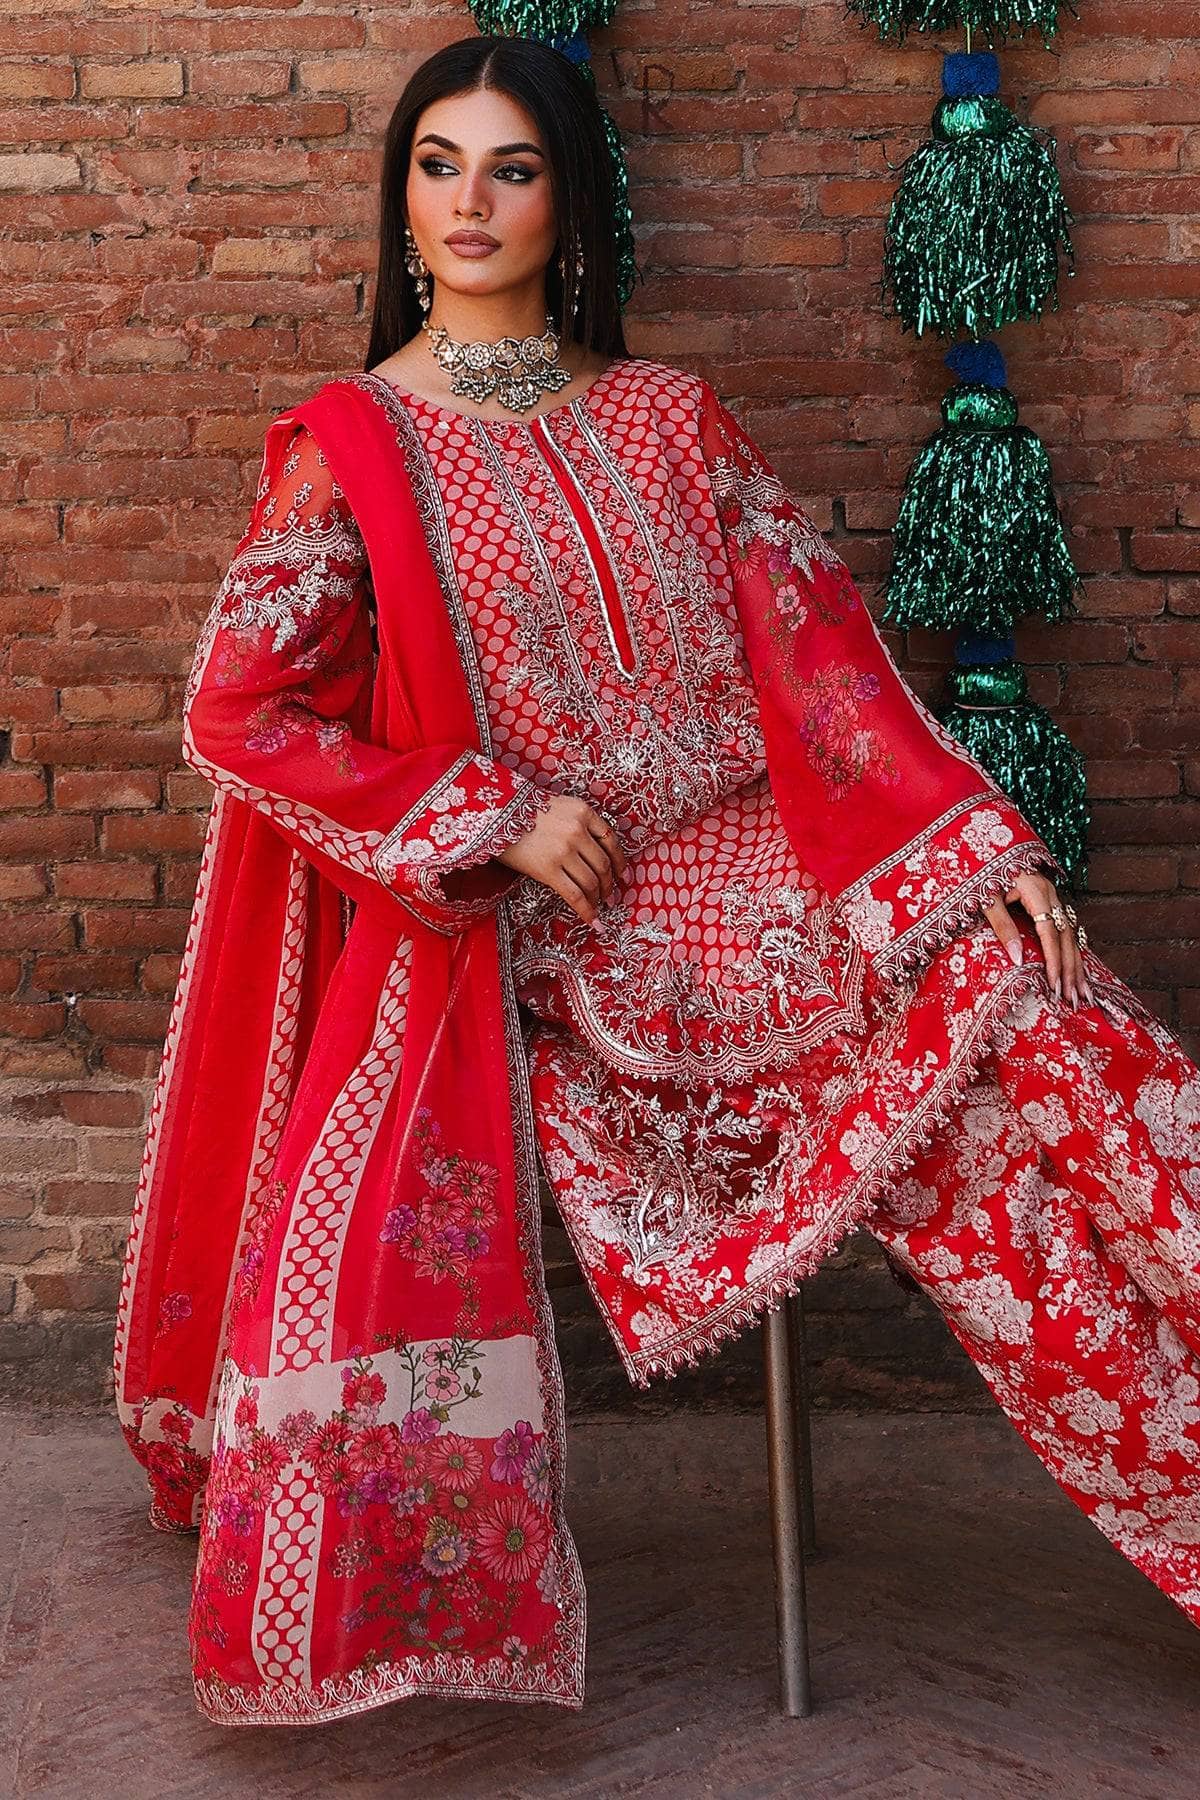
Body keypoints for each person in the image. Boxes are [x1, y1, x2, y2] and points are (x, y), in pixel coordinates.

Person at [112, 35, 1200, 1730]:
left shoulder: (666, 414)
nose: (473, 203)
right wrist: (490, 817)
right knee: (995, 1106)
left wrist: (965, 843)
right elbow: (240, 710)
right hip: (590, 930)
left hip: (780, 862)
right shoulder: (358, 446)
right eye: (439, 167)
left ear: (569, 202)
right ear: (400, 200)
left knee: (1051, 1029)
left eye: (514, 169)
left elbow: (817, 654)